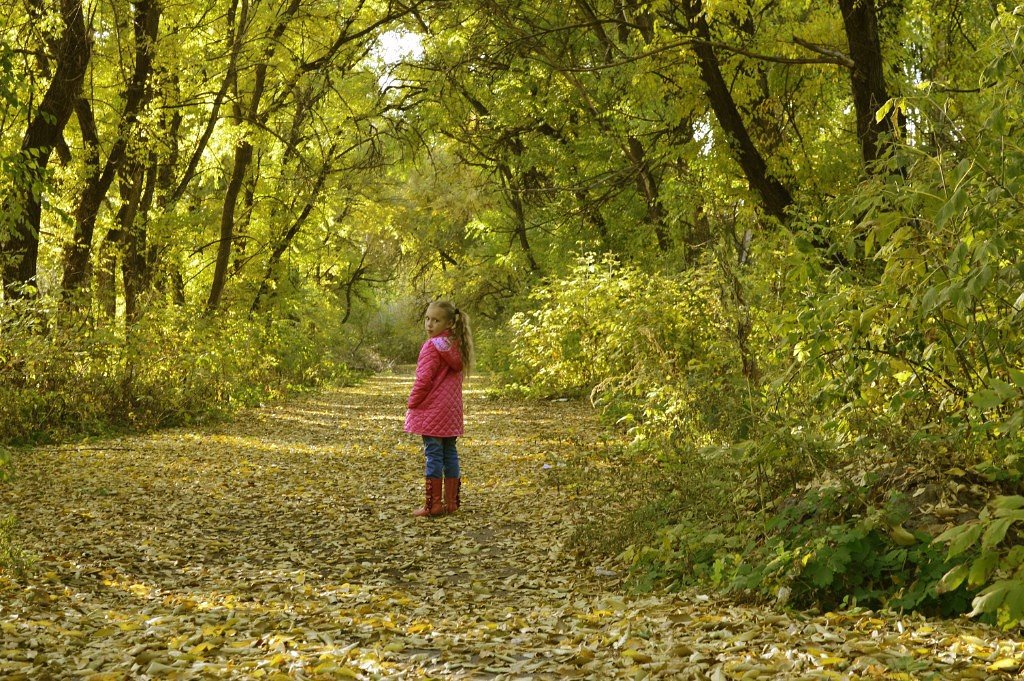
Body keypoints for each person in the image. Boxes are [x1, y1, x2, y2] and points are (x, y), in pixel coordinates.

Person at [404, 301, 473, 517]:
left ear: (450, 322)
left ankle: (433, 505)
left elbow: (424, 380)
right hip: (451, 410)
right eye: (427, 319)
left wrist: (412, 402)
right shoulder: (457, 345)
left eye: (436, 320)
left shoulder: (432, 346)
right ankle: (451, 503)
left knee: (433, 453)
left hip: (433, 409)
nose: (429, 324)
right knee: (450, 452)